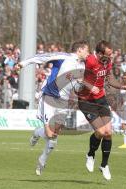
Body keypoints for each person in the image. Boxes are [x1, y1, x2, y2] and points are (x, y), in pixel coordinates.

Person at [19, 40, 90, 175]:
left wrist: (81, 87)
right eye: (87, 50)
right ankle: (37, 134)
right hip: (49, 97)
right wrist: (23, 64)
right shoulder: (64, 57)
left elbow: (76, 86)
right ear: (80, 49)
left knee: (54, 137)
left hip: (64, 102)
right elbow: (41, 57)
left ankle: (42, 160)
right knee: (50, 133)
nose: (88, 53)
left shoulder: (83, 67)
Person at [78, 40, 126, 180]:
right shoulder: (89, 61)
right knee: (100, 132)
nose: (110, 56)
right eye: (108, 54)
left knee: (108, 133)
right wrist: (90, 87)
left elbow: (110, 80)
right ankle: (90, 154)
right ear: (99, 53)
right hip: (86, 100)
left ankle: (104, 165)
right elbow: (77, 77)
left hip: (100, 99)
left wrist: (122, 86)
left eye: (111, 54)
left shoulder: (107, 62)